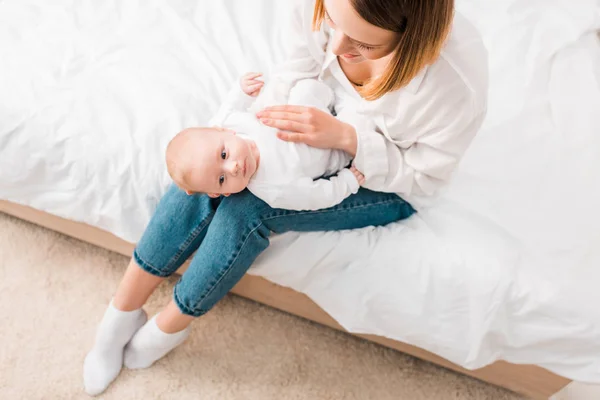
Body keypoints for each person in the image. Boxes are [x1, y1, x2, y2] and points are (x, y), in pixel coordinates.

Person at [83, 0, 487, 395]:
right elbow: (293, 72)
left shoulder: (452, 87)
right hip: (308, 137)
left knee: (250, 203)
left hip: (379, 178)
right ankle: (121, 312)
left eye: (363, 45)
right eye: (331, 20)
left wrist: (347, 139)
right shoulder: (317, 7)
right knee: (207, 165)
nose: (336, 46)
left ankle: (171, 324)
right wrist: (263, 131)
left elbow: (424, 177)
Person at [166, 78, 366, 211]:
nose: (233, 168)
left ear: (224, 132)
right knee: (360, 127)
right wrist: (347, 182)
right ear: (221, 193)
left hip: (302, 115)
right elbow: (316, 197)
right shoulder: (274, 189)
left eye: (224, 155)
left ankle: (337, 91)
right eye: (221, 178)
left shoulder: (227, 124)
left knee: (306, 89)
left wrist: (242, 91)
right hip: (331, 152)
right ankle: (352, 107)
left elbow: (228, 107)